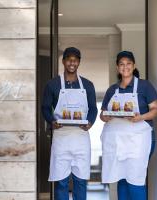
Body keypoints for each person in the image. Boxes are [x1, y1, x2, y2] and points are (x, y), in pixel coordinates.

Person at [100, 51, 157, 200]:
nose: (125, 67)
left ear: (134, 66)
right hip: (118, 141)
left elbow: (156, 110)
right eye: (121, 64)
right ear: (117, 67)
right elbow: (102, 115)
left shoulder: (145, 86)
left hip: (140, 139)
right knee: (122, 177)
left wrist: (140, 117)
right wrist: (106, 116)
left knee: (135, 178)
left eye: (128, 64)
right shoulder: (112, 90)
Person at [42, 47, 98, 200]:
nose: (72, 62)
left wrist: (90, 122)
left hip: (81, 137)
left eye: (75, 59)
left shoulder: (87, 85)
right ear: (63, 61)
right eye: (69, 59)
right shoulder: (52, 85)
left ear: (79, 62)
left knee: (80, 181)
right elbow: (45, 108)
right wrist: (52, 121)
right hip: (61, 138)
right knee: (61, 182)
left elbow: (93, 108)